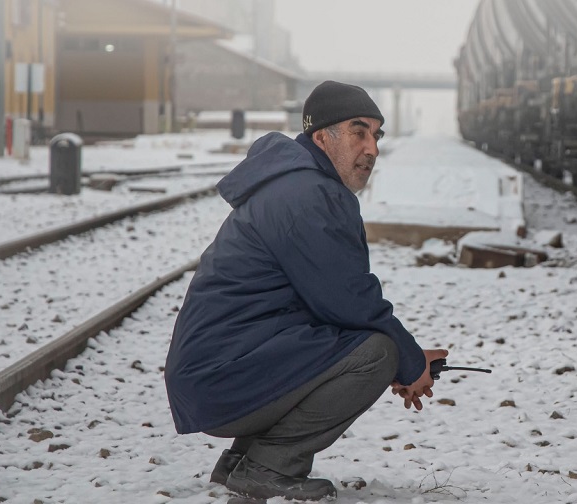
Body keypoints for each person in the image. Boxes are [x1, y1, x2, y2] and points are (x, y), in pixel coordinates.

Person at [164, 80, 448, 502]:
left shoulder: (299, 184)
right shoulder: (308, 195)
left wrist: (410, 360)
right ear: (322, 137)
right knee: (376, 353)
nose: (371, 148)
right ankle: (268, 466)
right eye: (359, 132)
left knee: (361, 344)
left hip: (219, 370)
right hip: (221, 376)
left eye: (376, 135)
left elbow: (332, 304)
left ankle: (241, 461)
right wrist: (406, 362)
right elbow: (350, 300)